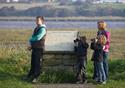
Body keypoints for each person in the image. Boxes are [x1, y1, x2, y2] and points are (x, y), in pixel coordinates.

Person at [26, 16, 47, 83]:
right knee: (33, 63)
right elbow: (33, 36)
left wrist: (30, 39)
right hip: (35, 48)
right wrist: (31, 46)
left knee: (37, 63)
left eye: (38, 20)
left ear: (42, 21)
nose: (36, 21)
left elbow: (38, 37)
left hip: (39, 48)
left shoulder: (43, 29)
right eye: (36, 20)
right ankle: (31, 76)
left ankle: (36, 77)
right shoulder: (36, 28)